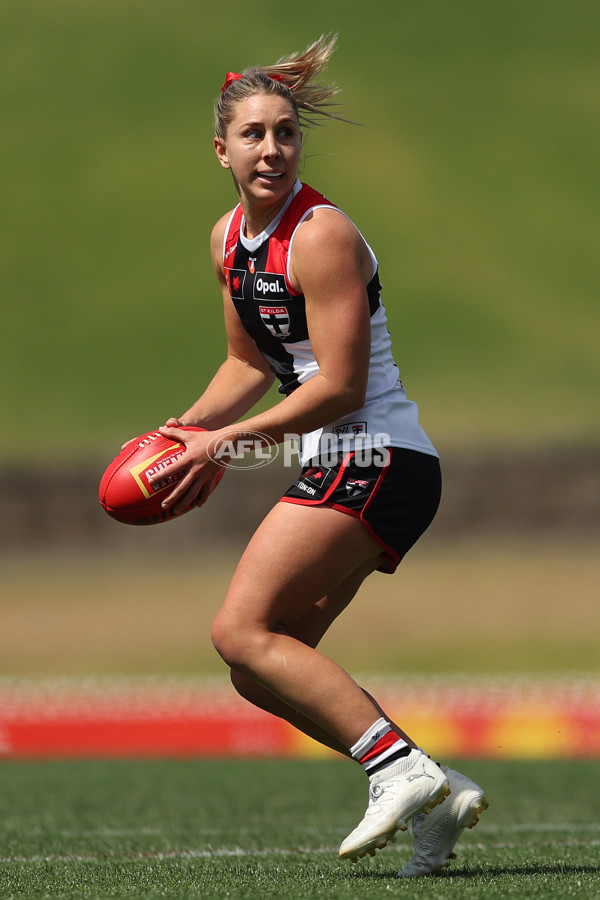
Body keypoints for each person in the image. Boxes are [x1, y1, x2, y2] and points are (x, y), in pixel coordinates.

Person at [148, 35, 487, 877]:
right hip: (349, 461)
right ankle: (435, 790)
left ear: (300, 143)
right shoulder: (231, 238)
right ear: (220, 149)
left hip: (377, 452)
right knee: (265, 668)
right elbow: (250, 364)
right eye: (254, 134)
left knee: (236, 629)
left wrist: (228, 443)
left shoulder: (322, 232)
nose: (272, 148)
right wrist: (187, 429)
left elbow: (337, 386)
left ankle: (398, 770)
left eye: (286, 133)